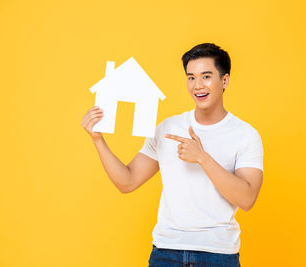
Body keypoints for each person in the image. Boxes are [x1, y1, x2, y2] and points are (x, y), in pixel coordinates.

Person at [81, 43, 264, 267]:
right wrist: (98, 139)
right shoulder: (167, 128)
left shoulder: (245, 135)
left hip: (217, 254)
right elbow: (127, 182)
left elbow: (246, 199)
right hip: (166, 253)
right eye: (191, 77)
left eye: (206, 76)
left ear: (224, 80)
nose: (198, 85)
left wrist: (202, 158)